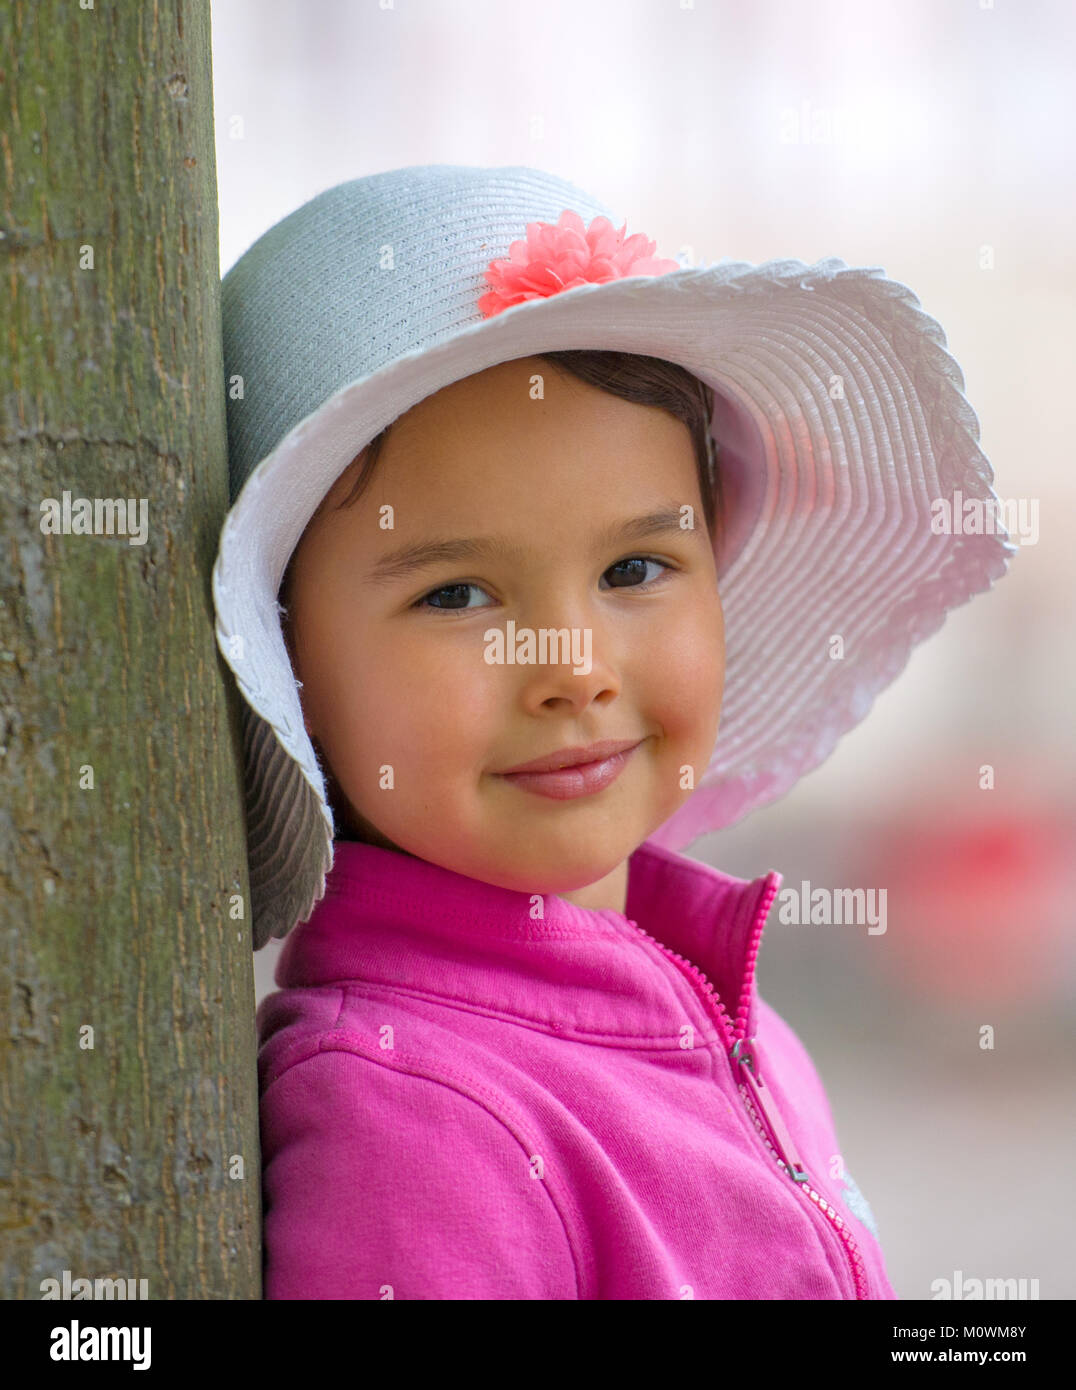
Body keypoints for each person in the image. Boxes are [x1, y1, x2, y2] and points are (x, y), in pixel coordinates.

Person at [213, 164, 1013, 1299]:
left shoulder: (722, 1011)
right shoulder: (414, 1120)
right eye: (457, 596)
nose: (572, 670)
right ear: (290, 662)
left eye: (634, 567)